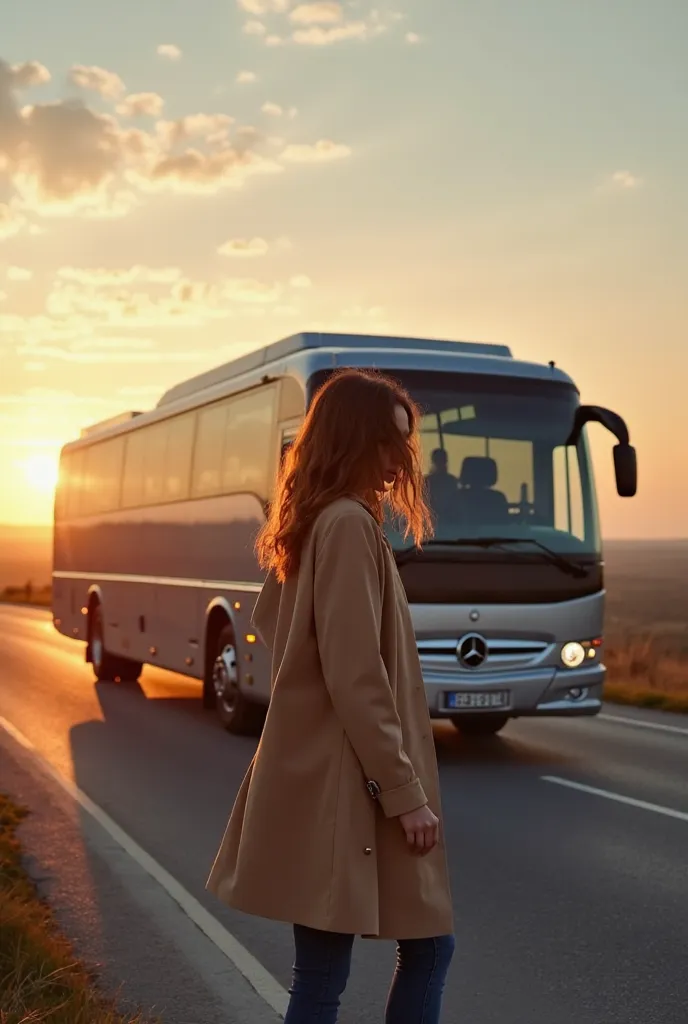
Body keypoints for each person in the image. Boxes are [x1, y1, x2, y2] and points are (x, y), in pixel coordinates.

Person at [206, 368, 455, 1024]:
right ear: (353, 440)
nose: (400, 462)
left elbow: (278, 624)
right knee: (427, 947)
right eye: (388, 443)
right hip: (353, 788)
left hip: (326, 782)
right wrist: (406, 796)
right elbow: (354, 674)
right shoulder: (348, 527)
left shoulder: (317, 522)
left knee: (320, 975)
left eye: (405, 444)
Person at [424, 448, 459, 524]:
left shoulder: (452, 482)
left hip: (450, 523)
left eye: (442, 461)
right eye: (438, 460)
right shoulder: (426, 482)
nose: (440, 464)